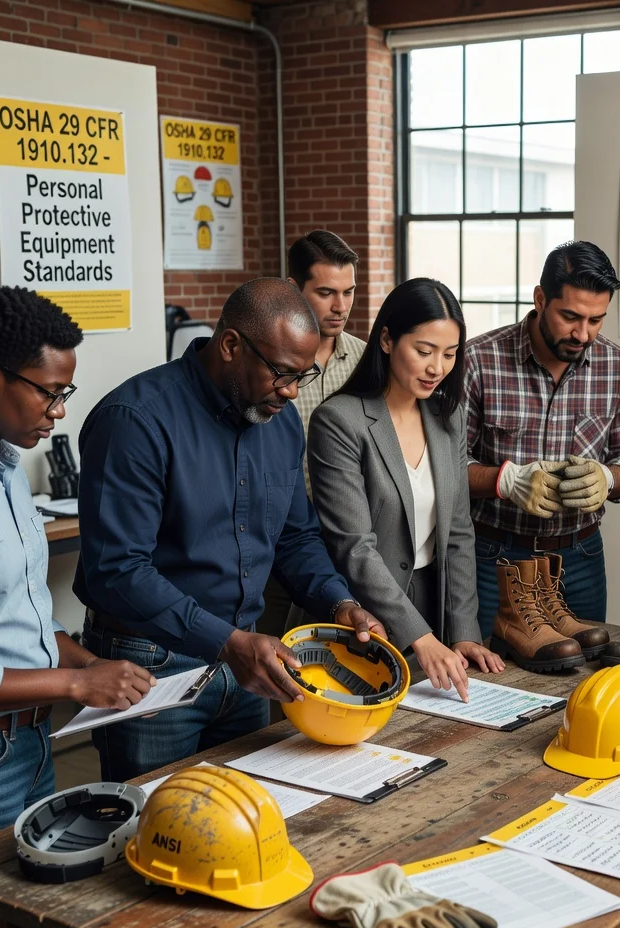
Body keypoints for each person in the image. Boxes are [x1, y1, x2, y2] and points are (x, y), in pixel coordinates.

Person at [75, 278, 385, 787]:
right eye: (281, 373)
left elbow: (295, 538)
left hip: (247, 662)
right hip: (151, 668)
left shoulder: (281, 423)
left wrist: (337, 602)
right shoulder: (134, 420)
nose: (290, 392)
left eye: (302, 376)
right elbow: (118, 571)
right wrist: (228, 643)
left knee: (240, 811)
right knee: (153, 821)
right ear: (231, 345)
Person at [0, 287, 156, 834]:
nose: (60, 411)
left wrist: (89, 665)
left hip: (32, 741)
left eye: (67, 391)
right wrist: (76, 686)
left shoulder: (8, 468)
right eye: (49, 392)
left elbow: (24, 617)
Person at [308, 279, 503, 701]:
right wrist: (422, 636)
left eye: (450, 354)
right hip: (361, 616)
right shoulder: (340, 421)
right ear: (386, 339)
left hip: (433, 601)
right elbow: (354, 548)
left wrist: (463, 631)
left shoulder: (448, 418)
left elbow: (458, 533)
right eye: (424, 351)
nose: (437, 368)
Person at [465, 241, 620, 636]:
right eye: (570, 316)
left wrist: (609, 477)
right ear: (540, 299)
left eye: (596, 320)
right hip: (491, 557)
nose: (583, 334)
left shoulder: (617, 368)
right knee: (485, 675)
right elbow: (441, 466)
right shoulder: (478, 360)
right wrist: (505, 481)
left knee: (582, 670)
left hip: (579, 557)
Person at [258, 230, 366, 637]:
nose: (341, 307)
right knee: (267, 666)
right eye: (325, 293)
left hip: (346, 545)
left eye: (349, 291)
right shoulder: (265, 365)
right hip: (275, 543)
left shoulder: (365, 361)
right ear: (293, 289)